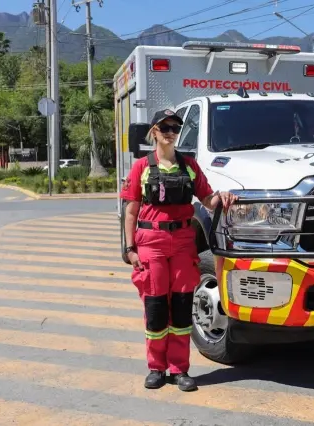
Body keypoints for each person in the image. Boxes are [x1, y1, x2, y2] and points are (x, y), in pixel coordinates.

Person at [120, 108, 238, 391]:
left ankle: (179, 369)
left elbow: (208, 201)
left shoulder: (189, 167)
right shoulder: (141, 167)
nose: (170, 132)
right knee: (156, 306)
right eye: (164, 128)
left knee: (183, 306)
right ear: (154, 132)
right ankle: (156, 368)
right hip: (152, 244)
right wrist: (129, 249)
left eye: (174, 128)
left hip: (183, 243)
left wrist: (222, 196)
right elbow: (131, 210)